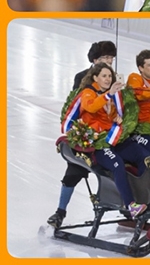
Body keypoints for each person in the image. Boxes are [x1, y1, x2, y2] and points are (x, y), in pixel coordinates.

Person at [47, 40, 117, 228]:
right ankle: (60, 212)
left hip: (109, 135)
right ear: (95, 60)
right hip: (87, 134)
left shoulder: (114, 78)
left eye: (111, 58)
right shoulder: (82, 79)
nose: (109, 61)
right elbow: (77, 105)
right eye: (105, 58)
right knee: (73, 172)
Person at [77, 62, 150, 218]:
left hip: (115, 140)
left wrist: (116, 119)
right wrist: (108, 94)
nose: (107, 79)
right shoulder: (88, 92)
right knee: (117, 165)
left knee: (143, 155)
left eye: (110, 76)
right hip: (99, 146)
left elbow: (109, 115)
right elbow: (91, 107)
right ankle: (131, 205)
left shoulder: (112, 95)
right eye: (104, 76)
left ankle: (147, 195)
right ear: (95, 77)